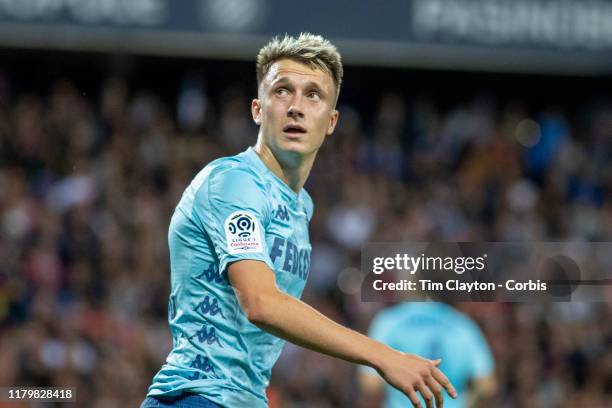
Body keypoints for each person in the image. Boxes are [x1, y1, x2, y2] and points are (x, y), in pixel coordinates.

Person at [141, 33, 456, 408]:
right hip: (195, 398)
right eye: (282, 91)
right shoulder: (233, 181)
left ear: (332, 120)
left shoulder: (300, 206)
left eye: (313, 95)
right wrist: (383, 355)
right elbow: (260, 302)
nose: (296, 107)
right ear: (258, 109)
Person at [359, 302, 497, 408]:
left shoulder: (390, 320)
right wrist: (465, 402)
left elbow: (369, 383)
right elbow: (487, 385)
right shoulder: (463, 324)